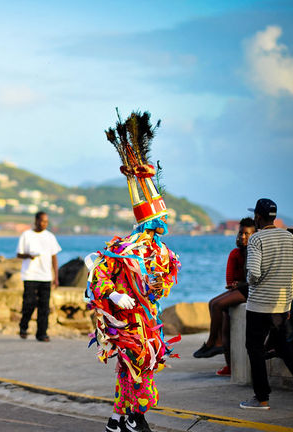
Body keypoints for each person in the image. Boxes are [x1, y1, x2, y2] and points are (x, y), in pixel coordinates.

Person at [88, 111, 181, 432]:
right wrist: (113, 292)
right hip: (128, 324)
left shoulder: (163, 251)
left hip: (150, 319)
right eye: (159, 219)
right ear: (150, 221)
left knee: (135, 368)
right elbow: (98, 275)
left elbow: (167, 277)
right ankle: (135, 417)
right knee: (138, 365)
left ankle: (117, 418)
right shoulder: (124, 248)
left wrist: (158, 286)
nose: (164, 223)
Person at [239, 198, 293, 410]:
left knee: (254, 348)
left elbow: (254, 273)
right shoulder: (289, 237)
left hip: (258, 306)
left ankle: (261, 398)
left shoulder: (257, 239)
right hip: (281, 306)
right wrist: (289, 302)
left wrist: (253, 282)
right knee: (282, 344)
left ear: (257, 217)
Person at [193, 217, 256, 376]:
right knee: (221, 316)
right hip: (239, 291)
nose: (243, 237)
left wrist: (240, 284)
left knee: (216, 305)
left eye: (247, 234)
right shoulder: (236, 253)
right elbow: (229, 281)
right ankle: (227, 362)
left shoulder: (255, 252)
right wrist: (237, 285)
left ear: (255, 235)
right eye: (241, 233)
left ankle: (213, 342)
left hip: (249, 292)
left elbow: (252, 279)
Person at [17, 211, 61, 341]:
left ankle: (42, 333)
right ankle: (23, 326)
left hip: (45, 276)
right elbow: (19, 254)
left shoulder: (50, 237)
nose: (44, 224)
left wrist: (56, 277)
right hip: (29, 275)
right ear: (36, 220)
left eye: (46, 222)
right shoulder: (26, 235)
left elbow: (54, 257)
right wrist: (28, 256)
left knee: (44, 306)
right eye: (42, 221)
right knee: (29, 303)